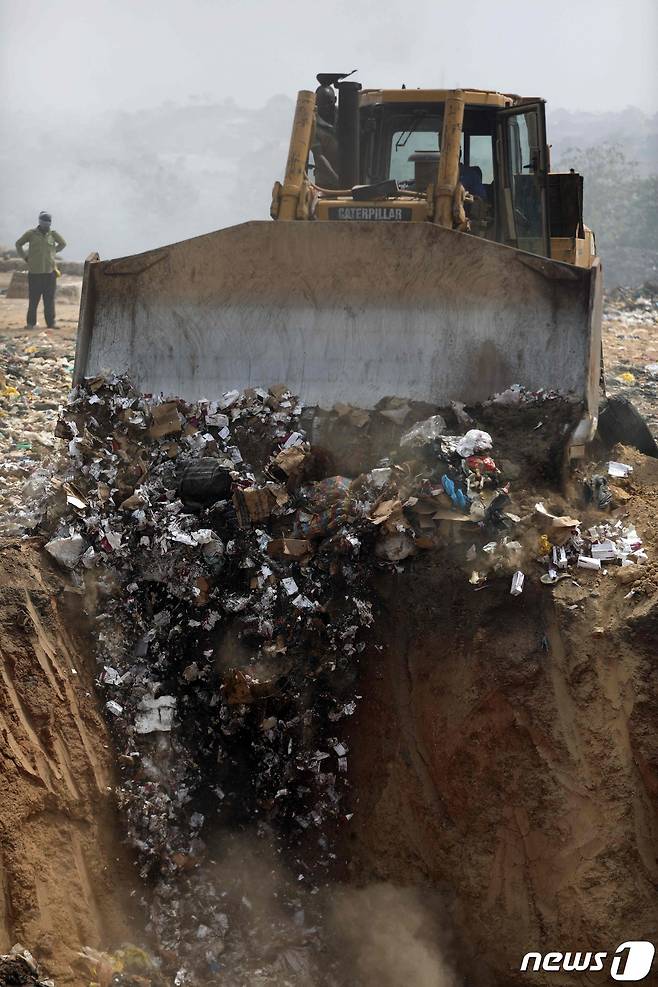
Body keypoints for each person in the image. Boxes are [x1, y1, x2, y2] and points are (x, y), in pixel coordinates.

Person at [15, 211, 67, 329]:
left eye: (48, 222)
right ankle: (31, 323)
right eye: (44, 222)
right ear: (40, 222)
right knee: (34, 300)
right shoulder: (31, 234)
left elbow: (63, 243)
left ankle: (51, 323)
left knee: (49, 300)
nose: (46, 225)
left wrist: (53, 252)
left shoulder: (53, 234)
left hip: (50, 273)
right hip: (35, 273)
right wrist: (25, 257)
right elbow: (18, 244)